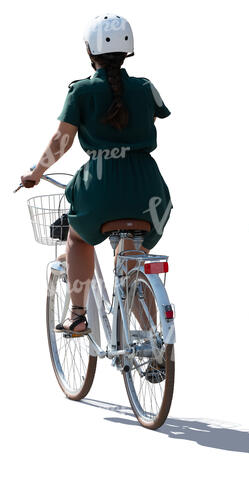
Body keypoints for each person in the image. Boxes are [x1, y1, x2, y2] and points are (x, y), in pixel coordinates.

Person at [20, 14, 172, 335]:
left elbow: (61, 142)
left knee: (76, 236)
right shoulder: (146, 89)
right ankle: (153, 343)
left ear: (90, 52)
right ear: (128, 50)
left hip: (101, 187)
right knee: (129, 265)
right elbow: (150, 122)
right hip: (149, 190)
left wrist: (37, 172)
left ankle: (77, 316)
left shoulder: (81, 92)